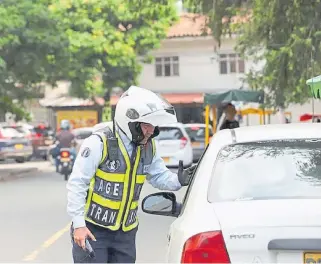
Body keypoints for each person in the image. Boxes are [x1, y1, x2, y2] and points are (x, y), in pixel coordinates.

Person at [67, 86, 196, 263]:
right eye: (146, 125)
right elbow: (77, 183)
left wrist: (179, 180)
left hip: (125, 233)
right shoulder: (99, 143)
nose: (151, 130)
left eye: (153, 125)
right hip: (93, 229)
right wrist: (79, 225)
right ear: (129, 121)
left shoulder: (148, 147)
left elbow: (159, 176)